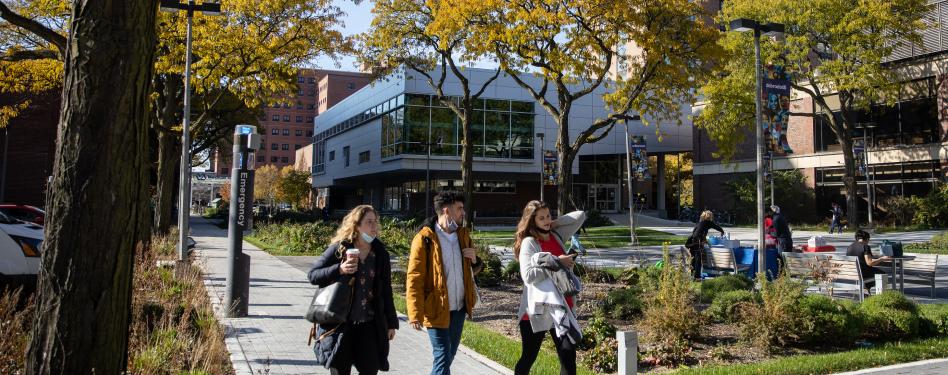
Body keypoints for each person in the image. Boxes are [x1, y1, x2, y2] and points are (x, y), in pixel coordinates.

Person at [308, 205, 398, 375]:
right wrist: (339, 269)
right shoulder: (340, 249)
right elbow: (313, 275)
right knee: (340, 370)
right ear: (356, 226)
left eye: (375, 222)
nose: (374, 227)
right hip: (341, 324)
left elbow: (386, 290)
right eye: (369, 222)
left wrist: (391, 323)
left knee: (370, 370)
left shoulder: (380, 254)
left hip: (369, 325)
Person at [406, 191, 483, 375]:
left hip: (458, 309)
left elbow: (472, 272)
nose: (463, 213)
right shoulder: (425, 239)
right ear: (446, 211)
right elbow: (414, 277)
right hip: (436, 309)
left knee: (448, 356)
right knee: (442, 356)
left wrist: (475, 261)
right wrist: (415, 313)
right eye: (459, 209)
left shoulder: (463, 235)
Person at [514, 201, 585, 375]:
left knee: (568, 358)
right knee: (529, 357)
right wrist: (557, 262)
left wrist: (555, 223)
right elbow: (528, 276)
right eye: (541, 218)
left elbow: (580, 216)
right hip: (538, 309)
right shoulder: (529, 242)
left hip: (562, 307)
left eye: (548, 216)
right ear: (532, 220)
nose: (546, 220)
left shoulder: (556, 234)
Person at [686, 210, 725, 280]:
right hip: (698, 242)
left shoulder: (699, 223)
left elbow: (695, 233)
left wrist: (704, 240)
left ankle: (692, 275)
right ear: (709, 217)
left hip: (692, 242)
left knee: (693, 259)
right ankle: (697, 276)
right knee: (698, 259)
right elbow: (716, 227)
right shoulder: (708, 222)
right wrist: (722, 231)